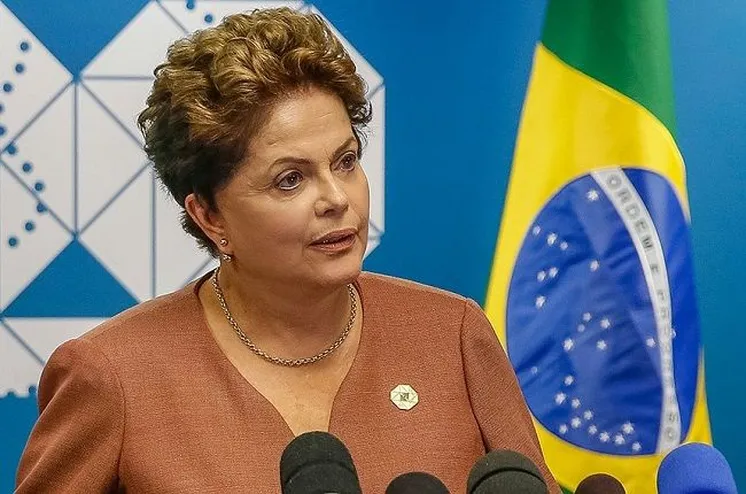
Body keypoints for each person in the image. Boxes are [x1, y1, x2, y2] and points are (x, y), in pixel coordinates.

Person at [15, 7, 559, 493]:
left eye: (346, 161)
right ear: (209, 216)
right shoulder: (114, 376)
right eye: (290, 180)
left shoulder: (450, 335)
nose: (337, 199)